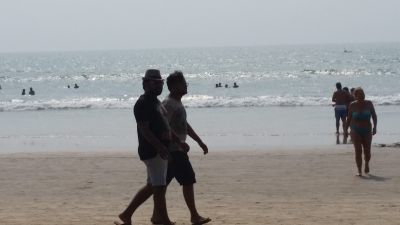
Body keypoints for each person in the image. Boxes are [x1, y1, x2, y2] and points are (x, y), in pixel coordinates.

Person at [115, 69, 175, 225]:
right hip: (153, 151)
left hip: (160, 150)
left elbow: (165, 125)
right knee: (159, 187)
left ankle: (126, 214)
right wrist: (160, 147)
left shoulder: (155, 102)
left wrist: (177, 141)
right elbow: (145, 130)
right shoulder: (142, 103)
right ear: (146, 84)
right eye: (155, 83)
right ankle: (164, 220)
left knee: (152, 186)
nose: (159, 86)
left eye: (160, 83)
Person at [161, 71, 211, 225]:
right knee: (188, 180)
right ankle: (194, 216)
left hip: (176, 149)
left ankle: (156, 216)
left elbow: (185, 125)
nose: (186, 85)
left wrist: (199, 141)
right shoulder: (169, 103)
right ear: (174, 86)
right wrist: (177, 144)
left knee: (158, 186)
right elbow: (164, 127)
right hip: (174, 150)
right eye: (183, 83)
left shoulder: (177, 102)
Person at [345, 87, 377, 176]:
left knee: (367, 151)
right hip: (355, 130)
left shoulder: (369, 104)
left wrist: (375, 127)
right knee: (358, 150)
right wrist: (345, 131)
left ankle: (366, 164)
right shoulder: (352, 105)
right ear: (355, 96)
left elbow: (374, 116)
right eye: (358, 95)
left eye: (362, 95)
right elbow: (349, 119)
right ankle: (359, 170)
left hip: (367, 130)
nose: (361, 97)